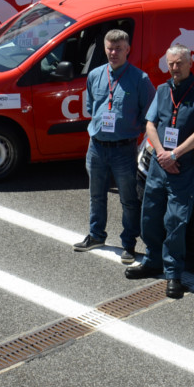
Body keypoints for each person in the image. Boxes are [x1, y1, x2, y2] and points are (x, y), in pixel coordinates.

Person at [126, 44, 194, 299]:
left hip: (183, 166)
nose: (174, 68)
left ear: (190, 64)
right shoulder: (163, 90)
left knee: (175, 221)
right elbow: (150, 124)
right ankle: (152, 260)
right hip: (159, 163)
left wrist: (174, 155)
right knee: (150, 215)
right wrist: (161, 153)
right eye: (171, 63)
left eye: (179, 63)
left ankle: (173, 273)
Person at [72, 29, 154, 265]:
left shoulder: (140, 80)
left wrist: (129, 131)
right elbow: (92, 106)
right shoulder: (95, 75)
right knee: (96, 195)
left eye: (118, 48)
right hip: (96, 146)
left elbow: (148, 115)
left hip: (123, 149)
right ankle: (96, 235)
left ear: (128, 49)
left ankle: (129, 243)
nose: (113, 52)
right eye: (109, 48)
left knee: (128, 199)